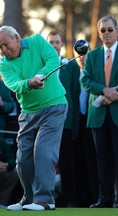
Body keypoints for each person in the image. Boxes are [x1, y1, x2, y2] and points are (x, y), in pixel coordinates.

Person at [0, 25, 67, 211]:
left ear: (17, 38)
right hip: (27, 112)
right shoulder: (4, 64)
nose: (3, 50)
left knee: (43, 150)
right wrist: (29, 83)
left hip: (54, 105)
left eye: (5, 44)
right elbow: (14, 84)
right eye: (0, 47)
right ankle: (28, 199)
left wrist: (40, 75)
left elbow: (52, 60)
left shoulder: (37, 41)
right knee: (23, 157)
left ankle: (45, 200)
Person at [81, 15, 118, 208]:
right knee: (102, 160)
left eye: (110, 29)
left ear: (117, 31)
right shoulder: (92, 55)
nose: (106, 33)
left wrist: (115, 93)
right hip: (98, 115)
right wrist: (104, 90)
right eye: (102, 30)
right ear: (99, 33)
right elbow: (86, 80)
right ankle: (104, 199)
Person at [46, 30, 80, 207]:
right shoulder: (39, 65)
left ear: (61, 45)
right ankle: (45, 198)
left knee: (67, 163)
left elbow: (75, 94)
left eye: (57, 42)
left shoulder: (71, 65)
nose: (54, 45)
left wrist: (74, 125)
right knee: (45, 162)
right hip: (45, 122)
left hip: (65, 122)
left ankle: (70, 199)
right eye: (51, 42)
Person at [73, 50, 99, 207]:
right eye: (79, 54)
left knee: (93, 160)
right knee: (78, 160)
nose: (82, 57)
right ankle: (80, 197)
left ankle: (95, 196)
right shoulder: (71, 73)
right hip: (76, 122)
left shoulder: (94, 74)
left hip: (91, 120)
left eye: (85, 54)